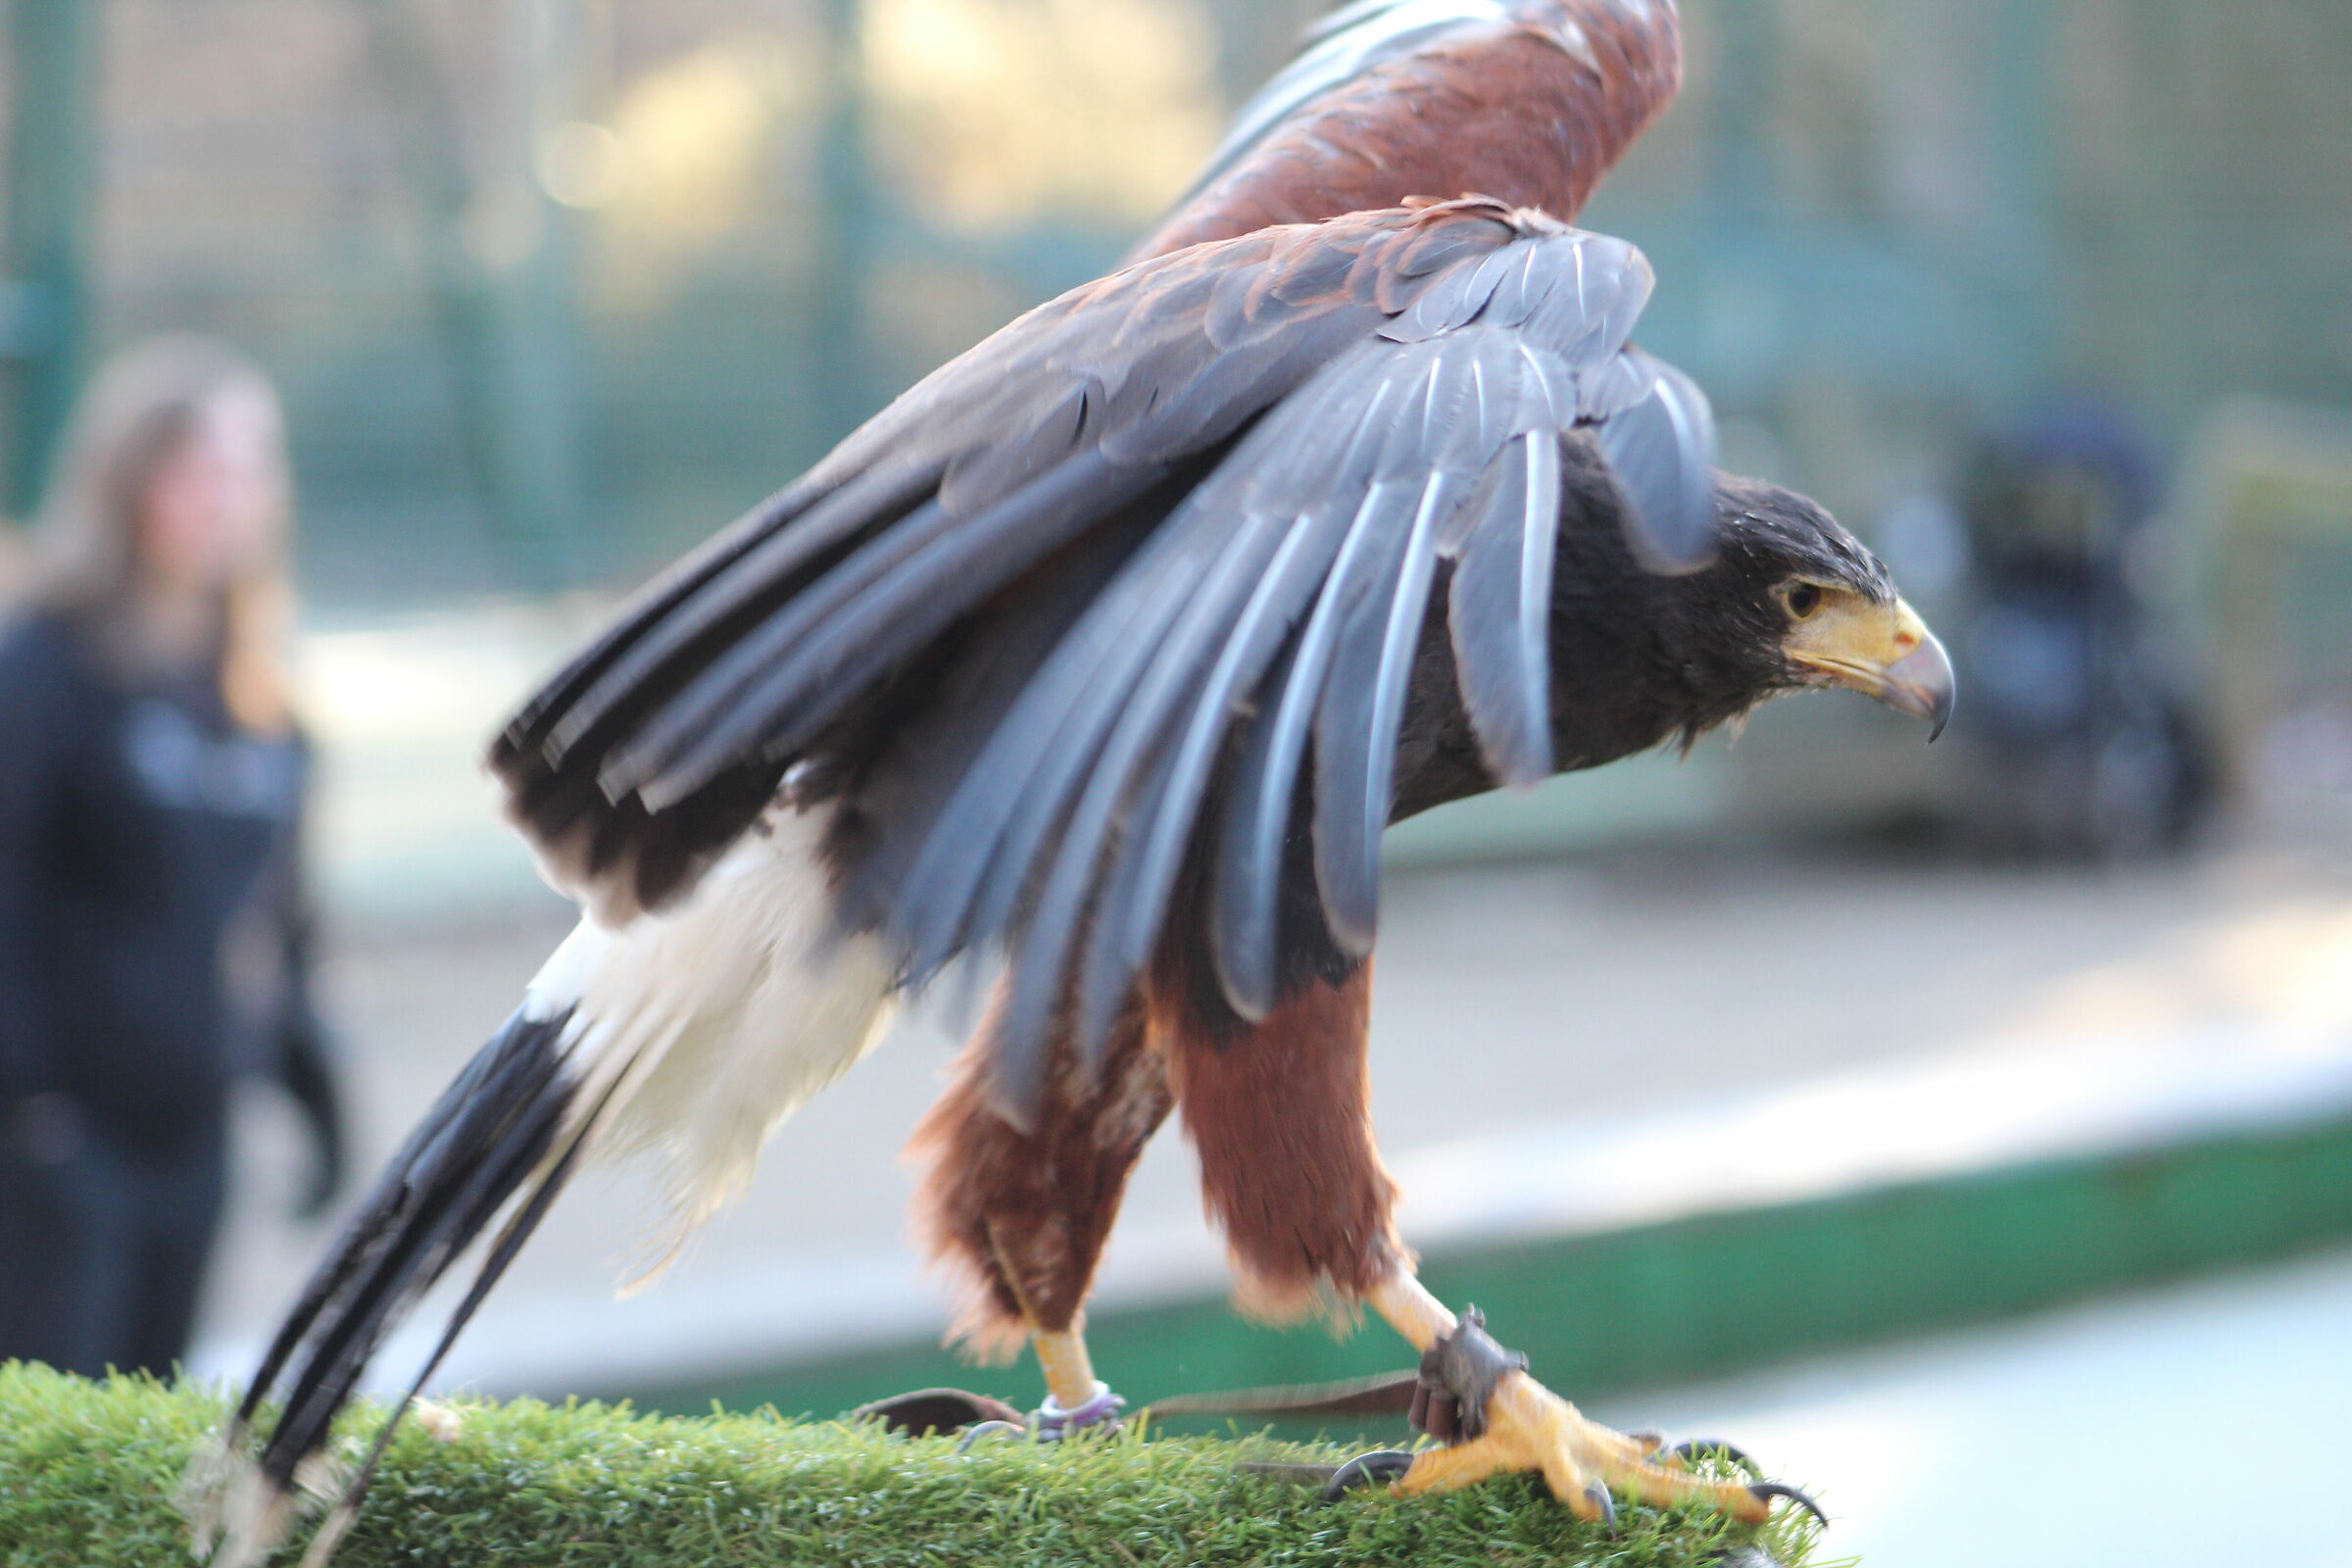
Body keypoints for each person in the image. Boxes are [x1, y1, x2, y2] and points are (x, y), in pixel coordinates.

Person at [0, 336, 344, 1380]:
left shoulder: (261, 700)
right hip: (60, 1145)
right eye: (196, 470)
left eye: (248, 469)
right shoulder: (45, 669)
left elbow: (276, 920)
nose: (224, 501)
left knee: (153, 1425)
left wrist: (310, 1080)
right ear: (128, 483)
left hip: (193, 1144)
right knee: (52, 1439)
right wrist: (35, 1110)